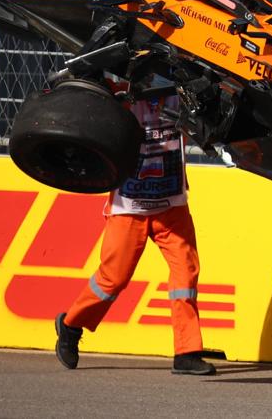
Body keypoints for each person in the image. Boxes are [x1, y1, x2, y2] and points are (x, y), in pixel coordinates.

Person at [54, 93, 216, 376]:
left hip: (172, 206)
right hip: (128, 208)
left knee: (185, 277)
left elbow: (207, 126)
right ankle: (70, 326)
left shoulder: (185, 95)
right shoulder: (122, 97)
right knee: (112, 279)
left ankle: (187, 351)